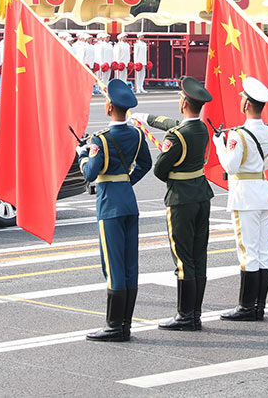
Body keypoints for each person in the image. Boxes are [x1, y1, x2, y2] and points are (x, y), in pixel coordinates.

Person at [132, 76, 213, 331]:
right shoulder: (201, 129)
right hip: (201, 195)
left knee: (182, 258)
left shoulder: (176, 136)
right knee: (198, 257)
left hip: (181, 200)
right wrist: (145, 117)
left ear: (184, 103)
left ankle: (184, 316)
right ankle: (195, 314)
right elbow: (172, 124)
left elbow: (159, 170)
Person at [78, 79, 152, 342]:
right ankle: (126, 325)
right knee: (130, 264)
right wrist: (127, 180)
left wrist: (82, 154)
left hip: (109, 203)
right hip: (129, 201)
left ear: (109, 107)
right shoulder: (136, 134)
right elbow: (146, 164)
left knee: (113, 265)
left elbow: (90, 172)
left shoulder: (101, 139)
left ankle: (113, 326)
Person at [212, 76, 268, 322]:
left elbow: (231, 166)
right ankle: (259, 306)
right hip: (263, 191)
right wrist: (258, 165)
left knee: (248, 252)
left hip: (245, 195)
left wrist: (219, 145)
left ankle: (246, 307)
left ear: (246, 105)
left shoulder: (237, 135)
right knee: (264, 252)